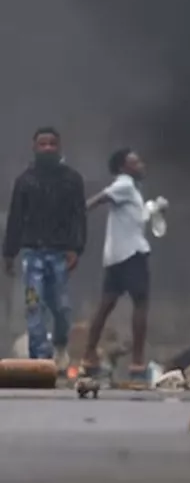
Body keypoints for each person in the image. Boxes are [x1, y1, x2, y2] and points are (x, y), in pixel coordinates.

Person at [2, 127, 86, 369]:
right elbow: (16, 218)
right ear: (34, 147)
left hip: (59, 254)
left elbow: (78, 216)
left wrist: (75, 248)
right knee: (33, 304)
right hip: (32, 254)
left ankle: (59, 345)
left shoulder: (72, 179)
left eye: (52, 144)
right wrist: (9, 253)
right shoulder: (25, 181)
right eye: (43, 144)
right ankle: (40, 357)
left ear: (59, 147)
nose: (48, 148)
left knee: (61, 307)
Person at [82, 148, 164, 382]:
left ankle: (89, 357)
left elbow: (136, 219)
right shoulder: (125, 185)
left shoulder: (131, 190)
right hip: (132, 255)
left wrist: (155, 209)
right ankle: (137, 362)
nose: (141, 165)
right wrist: (78, 212)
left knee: (106, 304)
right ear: (122, 167)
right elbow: (100, 198)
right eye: (135, 162)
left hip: (116, 256)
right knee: (140, 304)